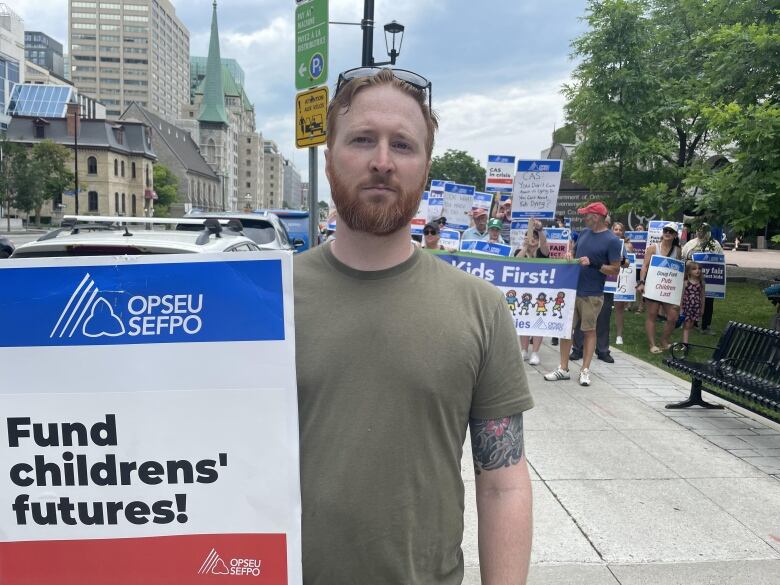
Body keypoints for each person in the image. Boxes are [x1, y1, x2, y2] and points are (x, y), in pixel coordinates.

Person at [294, 67, 533, 584]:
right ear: (329, 154)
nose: (382, 161)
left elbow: (503, 481)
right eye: (362, 140)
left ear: (425, 167)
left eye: (402, 145)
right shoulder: (267, 299)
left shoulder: (481, 308)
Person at [544, 202, 622, 386]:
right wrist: (570, 254)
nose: (583, 218)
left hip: (592, 293)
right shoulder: (585, 233)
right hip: (572, 290)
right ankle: (563, 368)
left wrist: (594, 264)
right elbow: (574, 250)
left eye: (586, 215)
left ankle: (585, 371)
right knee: (565, 330)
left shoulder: (611, 240)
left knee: (589, 331)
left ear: (595, 217)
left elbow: (615, 270)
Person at [570, 219, 632, 363]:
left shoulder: (614, 241)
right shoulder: (585, 234)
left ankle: (603, 350)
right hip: (585, 284)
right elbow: (575, 252)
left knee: (603, 318)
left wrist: (614, 260)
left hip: (607, 284)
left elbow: (626, 262)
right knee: (580, 319)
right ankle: (577, 349)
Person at [637, 222, 682, 353]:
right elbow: (644, 266)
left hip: (669, 288)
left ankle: (664, 340)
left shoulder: (678, 250)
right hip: (654, 286)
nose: (667, 233)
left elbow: (678, 271)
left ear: (675, 235)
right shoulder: (653, 248)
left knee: (673, 317)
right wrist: (641, 282)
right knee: (652, 314)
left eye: (670, 231)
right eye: (665, 230)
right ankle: (652, 344)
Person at [513, 220, 549, 365]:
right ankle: (523, 350)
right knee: (525, 320)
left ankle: (535, 352)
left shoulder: (542, 253)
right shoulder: (519, 251)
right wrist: (525, 248)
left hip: (541, 293)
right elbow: (515, 262)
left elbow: (546, 247)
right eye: (529, 237)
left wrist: (540, 231)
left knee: (538, 321)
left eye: (534, 238)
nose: (532, 240)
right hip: (524, 293)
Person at [681, 222, 723, 335]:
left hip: (710, 279)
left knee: (708, 301)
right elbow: (682, 258)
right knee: (690, 299)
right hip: (692, 279)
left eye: (704, 230)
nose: (701, 232)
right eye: (699, 229)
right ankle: (691, 322)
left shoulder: (715, 244)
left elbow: (721, 260)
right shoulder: (690, 244)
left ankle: (705, 325)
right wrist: (688, 263)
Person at [681, 261, 705, 344]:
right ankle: (685, 344)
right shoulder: (686, 282)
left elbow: (702, 296)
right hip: (687, 306)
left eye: (699, 268)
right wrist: (680, 307)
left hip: (695, 307)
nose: (697, 270)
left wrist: (702, 308)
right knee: (687, 325)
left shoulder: (701, 283)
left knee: (691, 325)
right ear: (689, 271)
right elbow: (681, 295)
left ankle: (685, 341)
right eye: (694, 269)